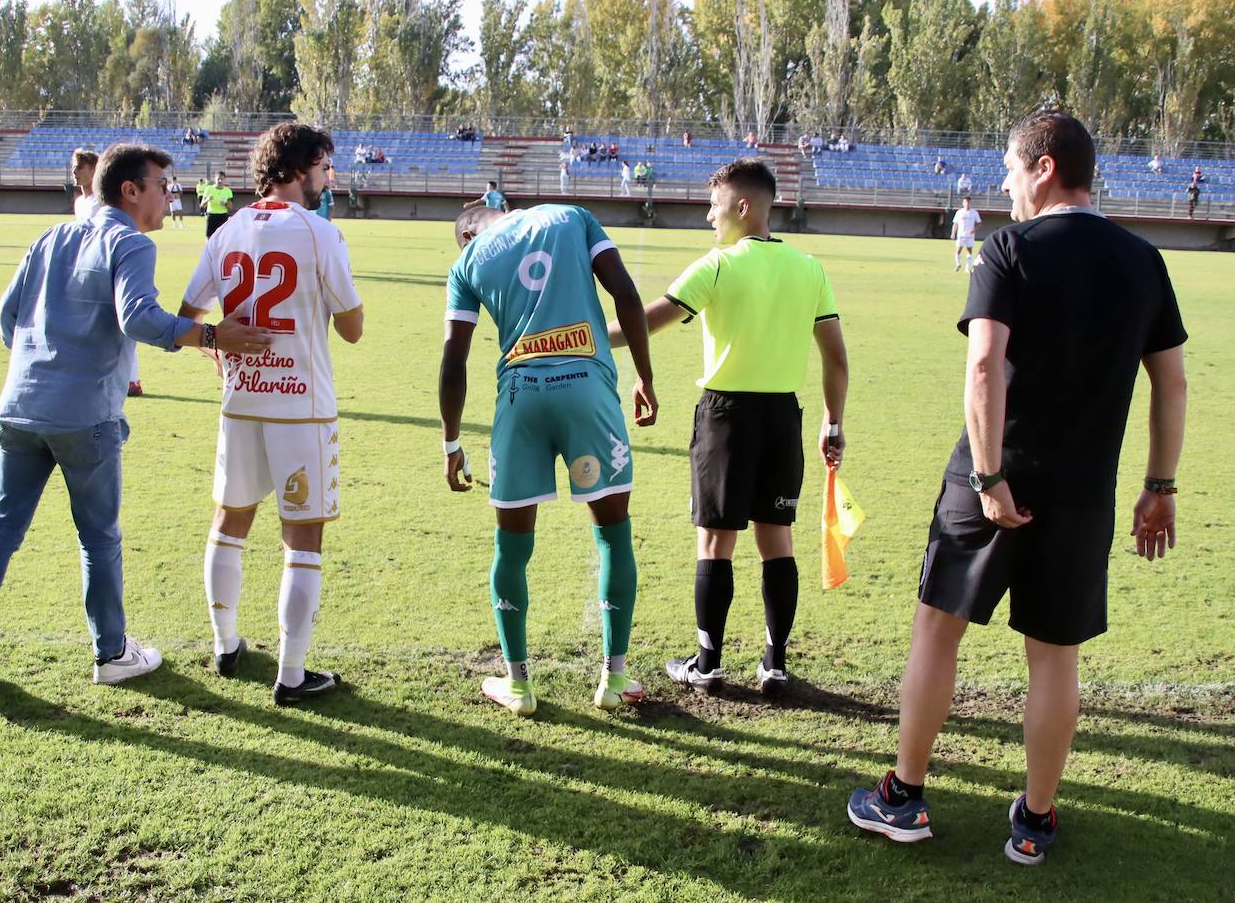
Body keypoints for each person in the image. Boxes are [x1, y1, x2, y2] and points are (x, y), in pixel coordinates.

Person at [846, 109, 1187, 866]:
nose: (1002, 182)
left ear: (1044, 166)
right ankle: (1034, 821)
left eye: (1008, 165)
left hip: (989, 480)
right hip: (1085, 490)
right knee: (1054, 655)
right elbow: (1172, 384)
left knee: (938, 628)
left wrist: (991, 475)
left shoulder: (1008, 249)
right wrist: (1160, 484)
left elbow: (983, 366)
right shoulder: (1143, 260)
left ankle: (903, 798)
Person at [0, 143, 271, 687]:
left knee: (1, 526)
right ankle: (112, 653)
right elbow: (137, 317)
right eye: (163, 185)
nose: (171, 196)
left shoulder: (51, 236)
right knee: (99, 537)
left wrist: (39, 364)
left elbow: (8, 315)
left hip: (20, 406)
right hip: (84, 415)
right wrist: (212, 334)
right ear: (129, 190)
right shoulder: (130, 243)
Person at [604, 158, 848, 696]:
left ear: (743, 207)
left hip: (727, 417)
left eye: (714, 206)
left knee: (716, 541)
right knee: (776, 538)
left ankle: (707, 665)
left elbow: (644, 323)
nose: (708, 217)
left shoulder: (716, 266)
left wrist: (588, 335)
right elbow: (836, 359)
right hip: (783, 418)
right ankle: (774, 665)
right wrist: (833, 421)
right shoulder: (810, 269)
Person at [440, 203, 659, 716]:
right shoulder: (568, 217)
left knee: (511, 548)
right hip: (587, 388)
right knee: (613, 533)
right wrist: (645, 375)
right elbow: (624, 292)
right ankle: (615, 678)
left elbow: (454, 357)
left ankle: (517, 686)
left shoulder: (467, 261)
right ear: (504, 211)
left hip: (520, 399)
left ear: (468, 233)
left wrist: (452, 441)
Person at [180, 123, 364, 706]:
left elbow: (189, 314)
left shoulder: (227, 229)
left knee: (230, 521)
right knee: (302, 537)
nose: (329, 178)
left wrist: (218, 346)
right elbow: (354, 329)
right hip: (302, 406)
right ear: (296, 167)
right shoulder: (319, 233)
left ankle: (226, 644)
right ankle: (290, 674)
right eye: (324, 166)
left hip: (241, 401)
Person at [950, 196, 982, 273]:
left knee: (969, 251)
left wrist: (974, 230)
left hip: (970, 236)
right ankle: (958, 264)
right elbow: (955, 224)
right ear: (963, 203)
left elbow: (979, 223)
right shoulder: (959, 212)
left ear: (970, 203)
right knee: (958, 250)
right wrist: (953, 233)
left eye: (968, 202)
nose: (967, 204)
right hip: (961, 234)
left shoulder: (974, 212)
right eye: (965, 202)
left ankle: (967, 268)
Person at [201, 171, 234, 239]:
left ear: (225, 180)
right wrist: (207, 199)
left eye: (222, 179)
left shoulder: (228, 191)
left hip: (223, 216)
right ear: (215, 179)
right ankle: (209, 249)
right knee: (209, 237)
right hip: (211, 215)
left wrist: (225, 203)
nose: (220, 180)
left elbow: (230, 207)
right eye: (218, 178)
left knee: (222, 237)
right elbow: (202, 205)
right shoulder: (209, 189)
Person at [71, 149, 101, 222]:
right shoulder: (79, 202)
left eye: (80, 167)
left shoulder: (101, 203)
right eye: (74, 167)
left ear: (95, 170)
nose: (74, 171)